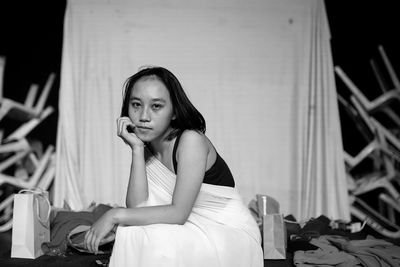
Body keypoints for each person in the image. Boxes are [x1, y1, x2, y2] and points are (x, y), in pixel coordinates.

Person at [84, 66, 263, 266]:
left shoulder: (190, 141)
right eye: (136, 104)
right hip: (189, 225)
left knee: (155, 241)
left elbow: (178, 214)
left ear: (175, 112)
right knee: (132, 232)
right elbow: (137, 208)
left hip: (227, 230)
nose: (144, 116)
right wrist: (136, 148)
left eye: (156, 106)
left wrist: (113, 215)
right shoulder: (147, 145)